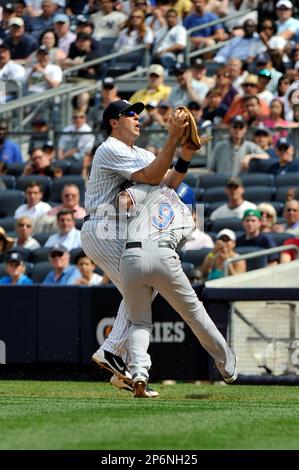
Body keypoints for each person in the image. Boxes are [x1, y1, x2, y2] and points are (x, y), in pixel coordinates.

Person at [80, 99, 195, 396]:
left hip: (117, 229)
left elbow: (167, 181)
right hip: (103, 227)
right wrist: (171, 141)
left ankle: (128, 371)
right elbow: (151, 176)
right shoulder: (109, 148)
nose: (136, 117)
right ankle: (113, 353)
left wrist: (185, 156)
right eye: (129, 113)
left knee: (142, 290)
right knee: (144, 285)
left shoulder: (140, 152)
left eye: (138, 113)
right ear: (113, 122)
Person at [117, 182, 237, 396]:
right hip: (164, 256)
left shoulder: (151, 190)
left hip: (131, 256)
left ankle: (138, 374)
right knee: (194, 314)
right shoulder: (187, 219)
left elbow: (124, 202)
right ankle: (227, 366)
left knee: (139, 322)